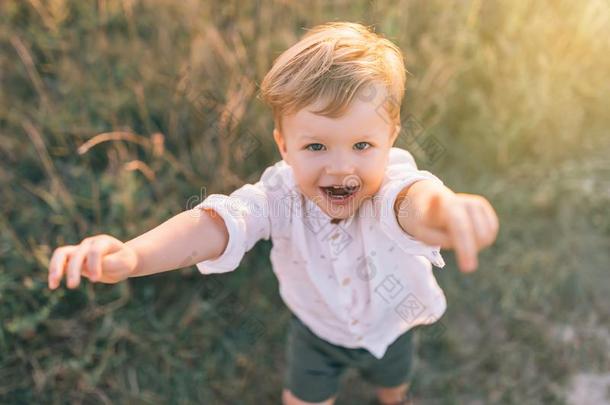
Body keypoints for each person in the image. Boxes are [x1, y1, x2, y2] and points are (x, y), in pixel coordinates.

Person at [47, 22, 499, 405]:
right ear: (284, 146)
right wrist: (132, 256)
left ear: (391, 137)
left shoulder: (390, 185)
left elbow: (414, 203)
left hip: (392, 322)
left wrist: (447, 210)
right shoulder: (278, 195)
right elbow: (216, 225)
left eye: (362, 145)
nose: (341, 167)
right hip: (316, 333)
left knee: (393, 382)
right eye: (315, 146)